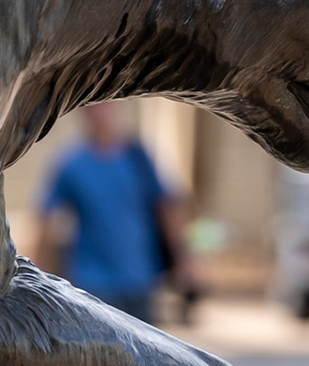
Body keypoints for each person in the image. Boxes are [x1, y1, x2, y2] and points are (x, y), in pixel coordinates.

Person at [34, 102, 195, 324]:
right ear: (83, 113)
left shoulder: (138, 159)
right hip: (92, 284)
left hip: (140, 280)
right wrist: (37, 278)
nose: (100, 113)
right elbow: (45, 220)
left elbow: (165, 209)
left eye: (106, 106)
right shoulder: (71, 165)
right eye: (93, 108)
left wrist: (185, 261)